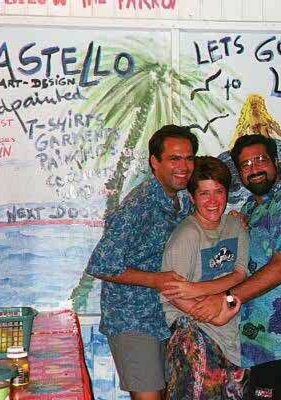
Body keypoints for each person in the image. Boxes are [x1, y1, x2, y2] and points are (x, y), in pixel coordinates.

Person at [192, 134, 281, 400]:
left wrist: (226, 299)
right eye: (246, 164)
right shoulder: (251, 207)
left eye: (261, 159)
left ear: (276, 162)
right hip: (254, 343)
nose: (254, 168)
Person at [85, 125, 198, 400]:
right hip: (132, 319)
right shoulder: (140, 203)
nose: (183, 166)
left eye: (189, 158)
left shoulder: (182, 200)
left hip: (164, 315)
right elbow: (101, 263)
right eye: (174, 158)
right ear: (154, 162)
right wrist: (157, 279)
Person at [160, 156, 248, 400]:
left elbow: (240, 274)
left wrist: (199, 289)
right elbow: (172, 293)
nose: (212, 201)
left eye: (218, 192)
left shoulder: (236, 225)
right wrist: (213, 316)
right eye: (204, 194)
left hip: (229, 327)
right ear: (192, 198)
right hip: (193, 329)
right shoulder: (186, 235)